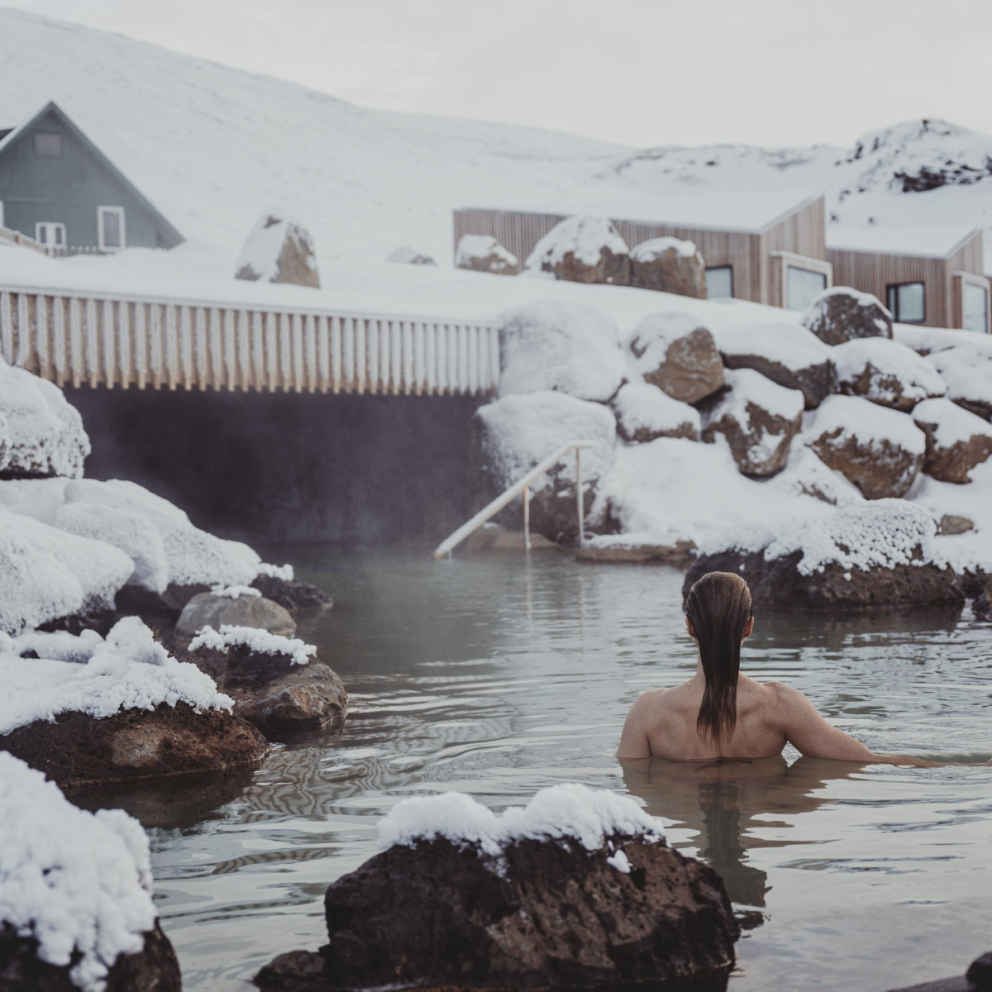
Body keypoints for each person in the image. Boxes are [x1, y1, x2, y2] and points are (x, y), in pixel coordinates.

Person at [616, 570, 991, 766]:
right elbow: (871, 761)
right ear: (749, 627)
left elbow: (627, 782)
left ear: (689, 627)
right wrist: (973, 767)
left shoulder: (649, 712)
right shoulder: (779, 706)